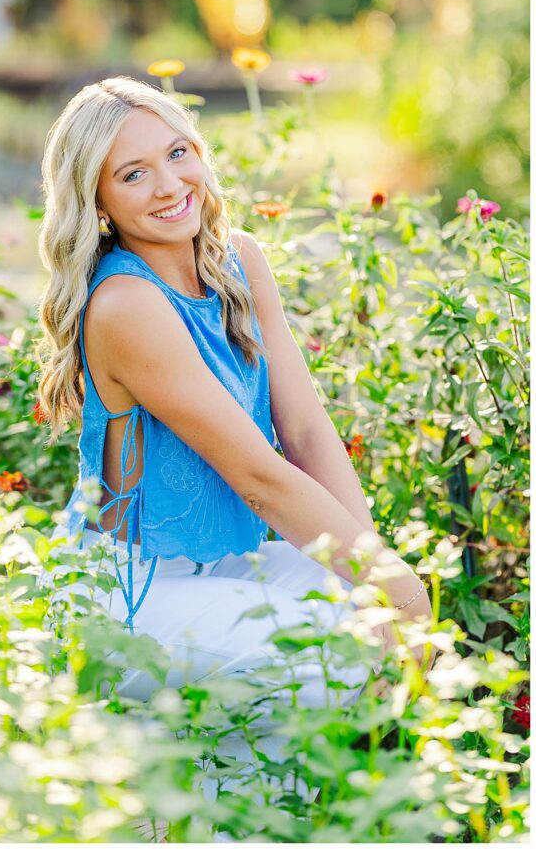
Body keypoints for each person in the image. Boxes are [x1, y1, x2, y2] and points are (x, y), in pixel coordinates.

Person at [35, 76, 434, 834]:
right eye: (133, 174)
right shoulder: (125, 305)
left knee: (363, 618)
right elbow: (257, 474)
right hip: (130, 588)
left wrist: (379, 571)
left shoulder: (237, 259)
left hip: (223, 561)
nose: (169, 184)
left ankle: (233, 810)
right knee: (338, 652)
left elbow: (306, 433)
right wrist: (398, 591)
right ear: (98, 204)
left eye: (177, 153)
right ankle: (196, 806)